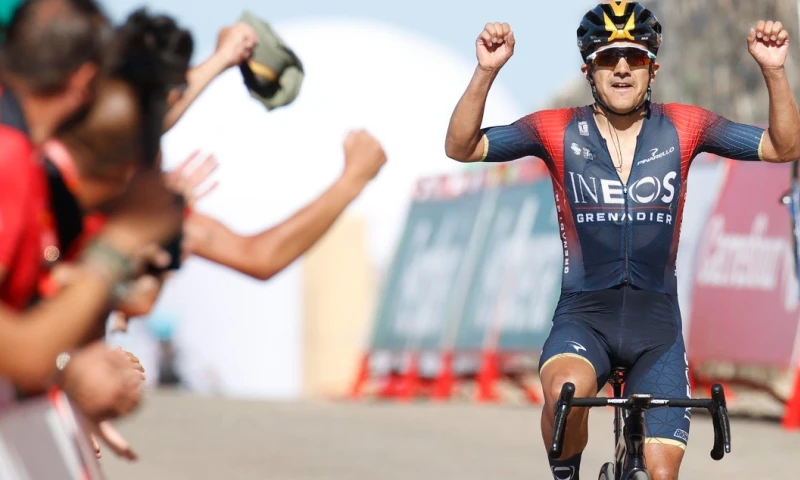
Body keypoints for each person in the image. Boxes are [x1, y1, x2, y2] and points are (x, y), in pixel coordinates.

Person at [444, 2, 800, 479]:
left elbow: (784, 147)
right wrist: (486, 72)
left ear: (652, 67)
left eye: (633, 58)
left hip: (658, 329)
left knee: (660, 471)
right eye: (608, 59)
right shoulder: (556, 129)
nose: (621, 69)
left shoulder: (685, 125)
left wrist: (773, 72)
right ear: (589, 69)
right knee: (566, 395)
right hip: (584, 318)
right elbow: (461, 146)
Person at [0, 0, 183, 421]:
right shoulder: (9, 155)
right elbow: (23, 356)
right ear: (85, 79)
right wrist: (118, 245)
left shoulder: (23, 154)